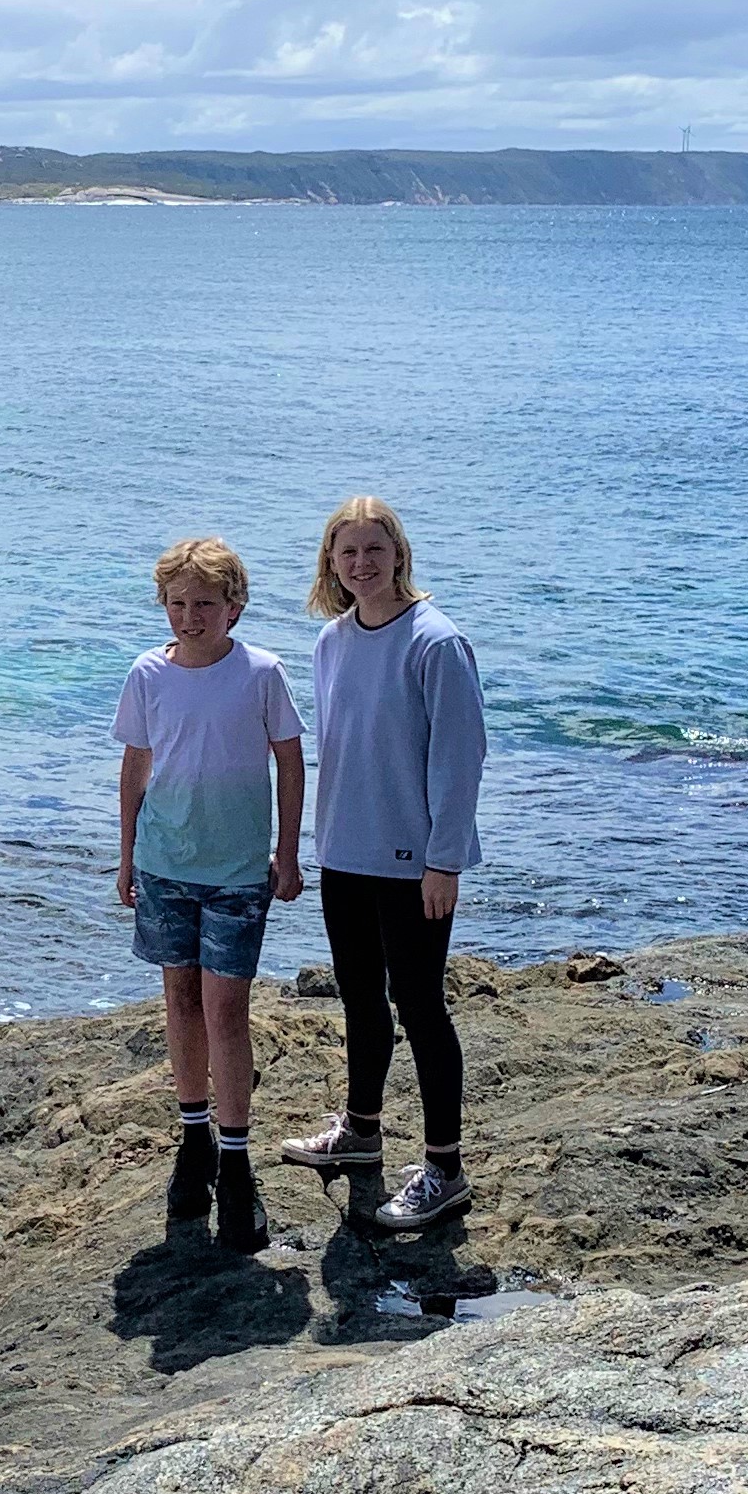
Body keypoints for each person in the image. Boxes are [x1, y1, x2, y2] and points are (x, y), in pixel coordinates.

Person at [280, 497, 489, 1233]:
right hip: (345, 852)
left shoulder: (436, 642)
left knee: (421, 1006)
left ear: (399, 553)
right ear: (330, 563)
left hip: (413, 863)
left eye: (374, 550)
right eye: (347, 553)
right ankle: (360, 1133)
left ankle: (444, 1168)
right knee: (360, 999)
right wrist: (313, 845)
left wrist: (444, 861)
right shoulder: (332, 641)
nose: (361, 564)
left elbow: (459, 761)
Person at [114, 534, 305, 1253]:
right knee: (181, 999)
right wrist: (128, 855)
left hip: (236, 873)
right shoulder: (147, 675)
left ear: (234, 606)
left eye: (205, 604)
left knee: (228, 1009)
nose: (190, 617)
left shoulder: (260, 673)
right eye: (177, 603)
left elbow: (289, 760)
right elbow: (136, 766)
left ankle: (236, 1156)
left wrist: (286, 852)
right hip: (166, 862)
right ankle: (192, 1136)